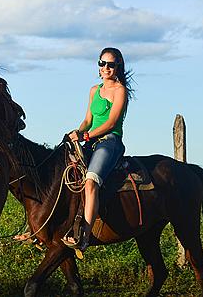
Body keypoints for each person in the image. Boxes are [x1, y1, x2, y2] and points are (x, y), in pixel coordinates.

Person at [64, 47, 134, 251]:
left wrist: (85, 136)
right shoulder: (94, 90)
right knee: (65, 172)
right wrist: (76, 132)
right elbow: (88, 120)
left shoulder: (120, 91)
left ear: (118, 66)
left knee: (90, 182)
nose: (105, 68)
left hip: (109, 142)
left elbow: (111, 123)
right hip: (91, 139)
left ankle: (85, 236)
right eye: (102, 63)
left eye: (110, 64)